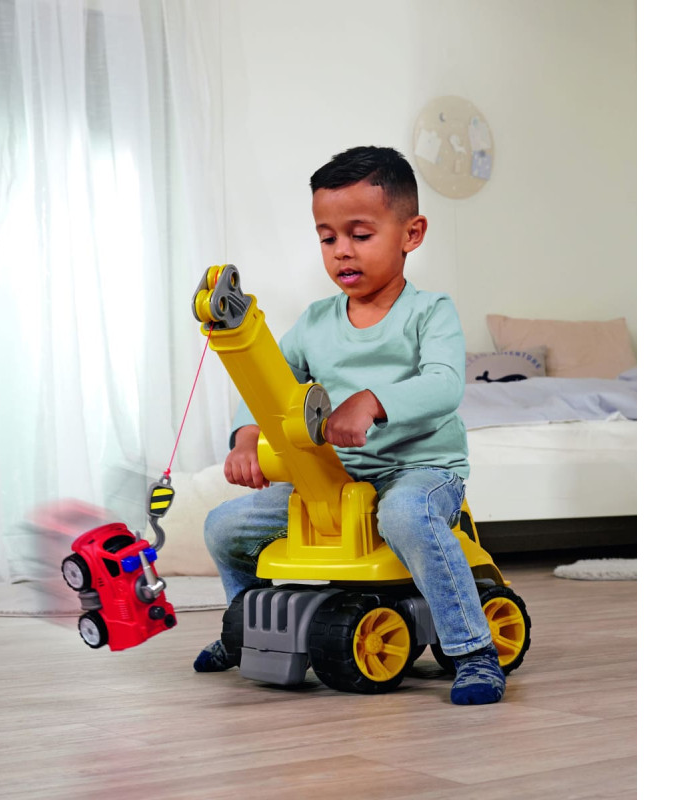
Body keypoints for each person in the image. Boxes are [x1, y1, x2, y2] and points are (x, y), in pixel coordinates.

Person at [194, 145, 505, 705]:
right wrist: (247, 438)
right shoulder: (315, 322)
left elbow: (444, 385)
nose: (341, 250)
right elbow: (269, 383)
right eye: (327, 237)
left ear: (411, 234)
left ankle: (473, 649)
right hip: (334, 480)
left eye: (360, 234)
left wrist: (372, 401)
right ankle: (245, 630)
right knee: (223, 526)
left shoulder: (430, 312)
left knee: (405, 515)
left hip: (418, 472)